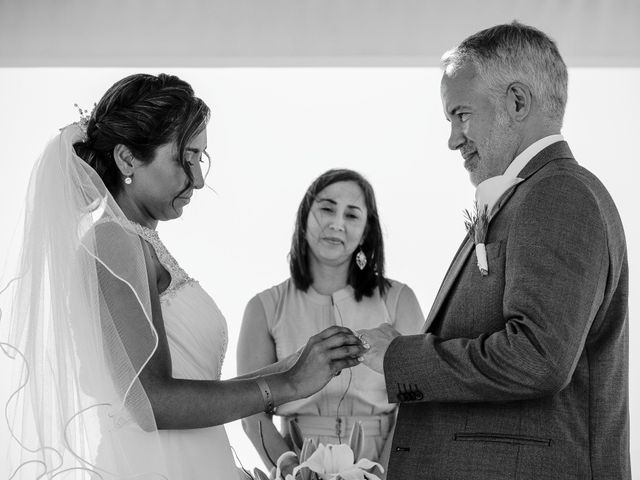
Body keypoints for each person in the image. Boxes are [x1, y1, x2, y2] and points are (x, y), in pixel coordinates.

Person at [0, 73, 367, 480]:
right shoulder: (111, 240)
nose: (198, 180)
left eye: (200, 158)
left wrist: (295, 364)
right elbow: (152, 401)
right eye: (183, 158)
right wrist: (288, 385)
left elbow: (189, 386)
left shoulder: (141, 241)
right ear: (127, 159)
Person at [359, 22, 630, 479]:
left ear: (517, 102)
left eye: (461, 114)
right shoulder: (532, 194)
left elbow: (538, 358)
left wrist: (401, 358)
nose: (452, 139)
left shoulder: (558, 194)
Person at [237, 169, 424, 477]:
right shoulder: (263, 308)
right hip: (299, 462)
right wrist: (289, 467)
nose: (337, 224)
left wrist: (382, 473)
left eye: (352, 215)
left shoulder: (400, 299)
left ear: (365, 231)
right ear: (305, 216)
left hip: (382, 465)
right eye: (326, 208)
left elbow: (416, 402)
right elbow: (250, 412)